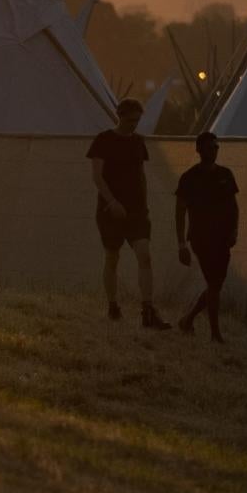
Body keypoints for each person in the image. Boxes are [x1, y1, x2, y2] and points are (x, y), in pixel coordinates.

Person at [87, 96, 165, 329]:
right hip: (111, 210)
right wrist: (112, 202)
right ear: (120, 116)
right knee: (112, 256)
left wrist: (143, 204)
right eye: (131, 120)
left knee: (145, 255)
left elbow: (140, 174)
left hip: (137, 211)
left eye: (137, 120)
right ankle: (113, 305)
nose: (134, 124)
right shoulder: (103, 140)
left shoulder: (138, 142)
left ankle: (148, 309)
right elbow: (97, 176)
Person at [174, 130, 241, 344]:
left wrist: (234, 230)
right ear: (199, 149)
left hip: (222, 238)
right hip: (201, 238)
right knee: (214, 283)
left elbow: (233, 206)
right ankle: (215, 333)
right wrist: (181, 244)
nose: (214, 150)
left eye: (216, 147)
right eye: (211, 147)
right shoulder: (189, 178)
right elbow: (179, 211)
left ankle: (188, 320)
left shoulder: (225, 174)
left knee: (215, 285)